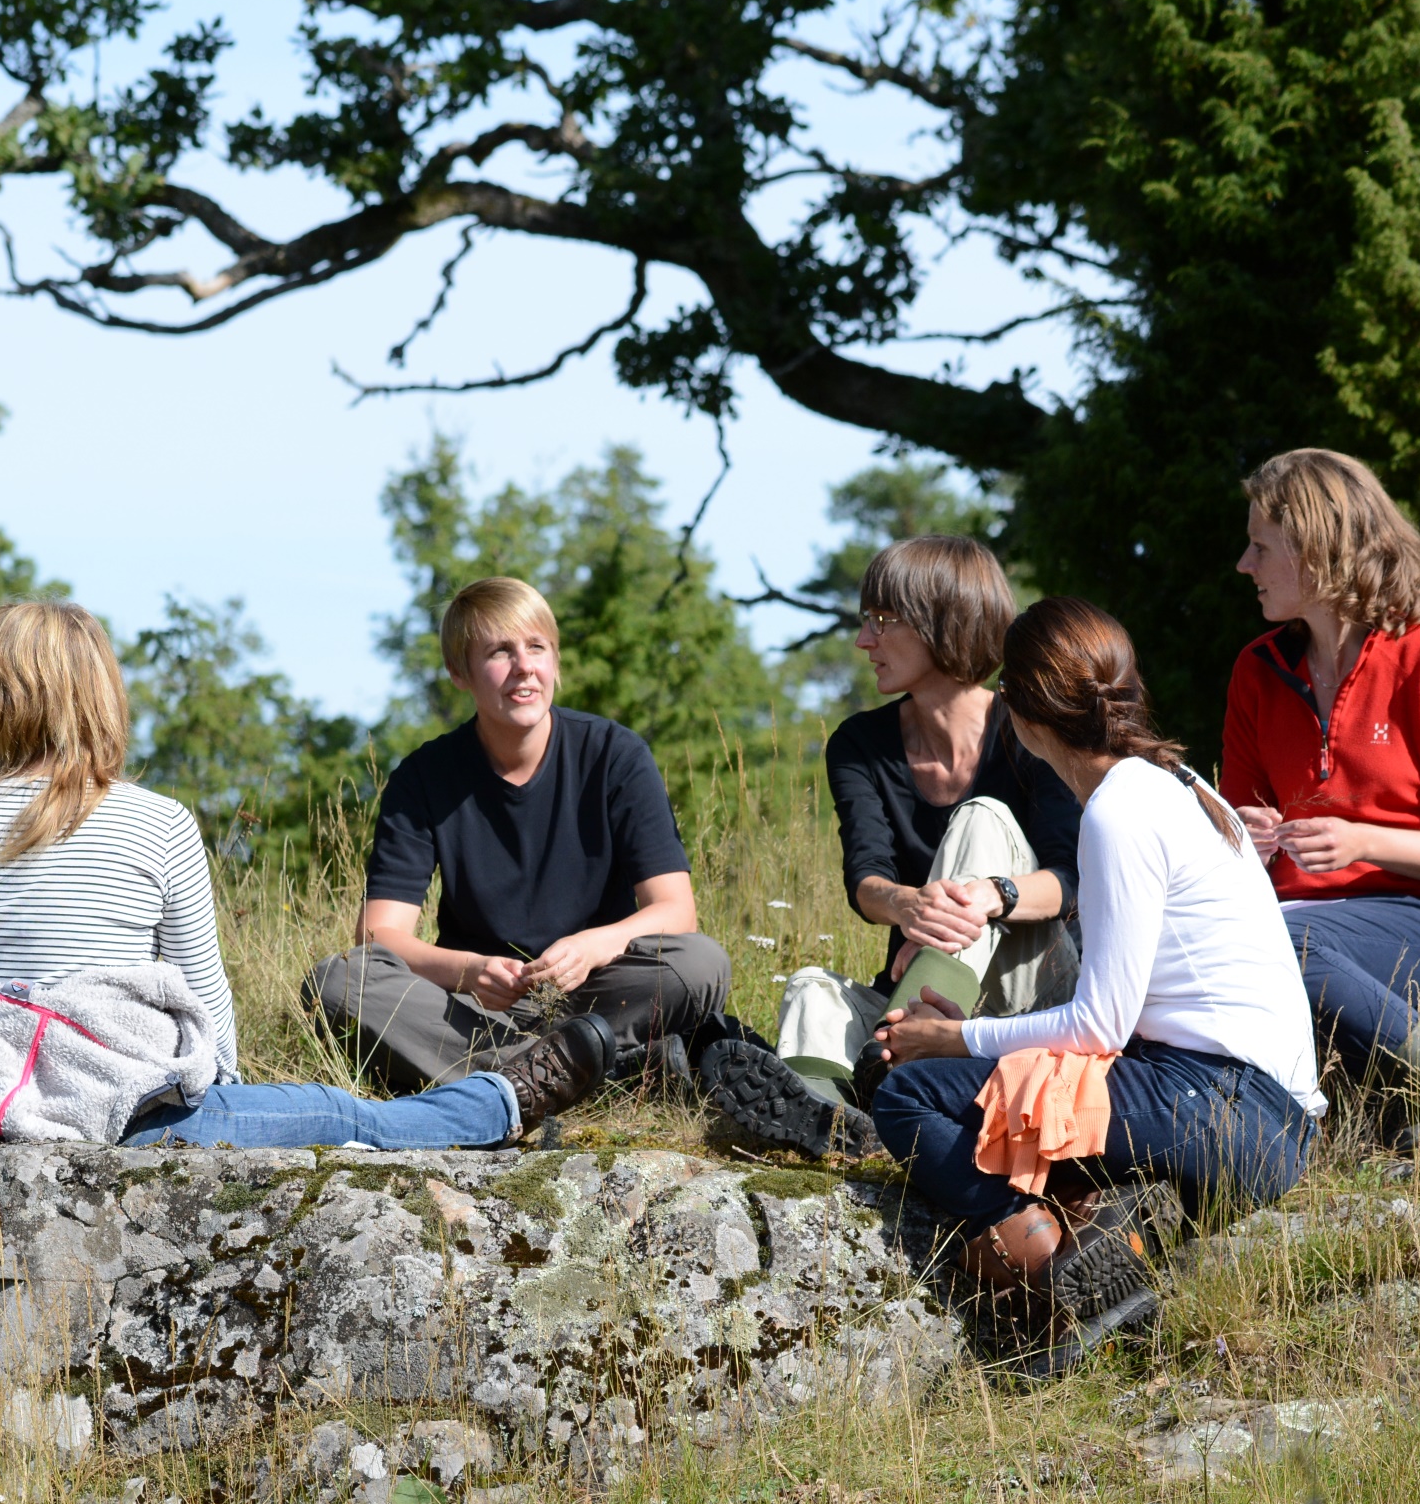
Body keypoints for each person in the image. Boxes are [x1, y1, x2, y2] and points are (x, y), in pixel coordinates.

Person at [0, 598, 600, 1152]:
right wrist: (224, 1088)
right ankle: (494, 1104)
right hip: (124, 1113)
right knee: (339, 1115)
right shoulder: (157, 820)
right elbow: (203, 993)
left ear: (11, 702)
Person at [868, 598, 1321, 1368]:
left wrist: (955, 1037)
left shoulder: (1116, 811)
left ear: (1022, 711)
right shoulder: (1181, 785)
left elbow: (1099, 1026)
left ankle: (1055, 1275)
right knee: (972, 1086)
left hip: (1222, 1105)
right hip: (1269, 1119)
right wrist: (977, 1049)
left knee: (906, 1095)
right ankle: (1101, 1225)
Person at [704, 535, 1080, 1160]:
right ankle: (830, 1125)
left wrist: (992, 894)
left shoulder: (1031, 725)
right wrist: (910, 906)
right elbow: (866, 879)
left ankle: (887, 1064)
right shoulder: (860, 742)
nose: (863, 641)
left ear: (943, 624)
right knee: (810, 988)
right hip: (919, 989)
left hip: (1030, 994)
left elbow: (1069, 880)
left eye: (882, 622)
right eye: (864, 622)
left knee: (981, 817)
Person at [303, 577, 731, 1105]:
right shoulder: (423, 777)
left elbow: (676, 911)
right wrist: (468, 970)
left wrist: (594, 946)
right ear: (460, 673)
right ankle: (597, 1073)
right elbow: (378, 937)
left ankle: (513, 1080)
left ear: (554, 662)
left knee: (701, 963)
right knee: (339, 982)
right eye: (500, 652)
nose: (524, 666)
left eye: (537, 648)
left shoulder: (616, 754)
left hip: (597, 995)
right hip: (478, 1009)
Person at [1222, 449, 1420, 1149]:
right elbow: (1235, 844)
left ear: (1318, 552)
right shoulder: (1257, 672)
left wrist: (1362, 841)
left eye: (1261, 547)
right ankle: (1391, 1104)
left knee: (1279, 943)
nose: (1245, 564)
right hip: (1293, 921)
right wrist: (1242, 834)